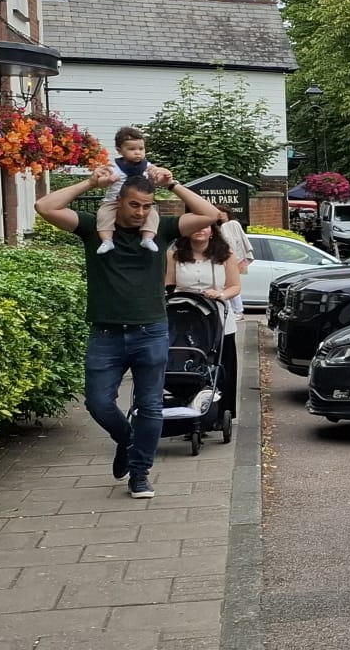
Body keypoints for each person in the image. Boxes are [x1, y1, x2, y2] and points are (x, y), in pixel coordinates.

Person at [36, 162, 225, 498]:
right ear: (119, 202)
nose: (140, 213)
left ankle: (140, 474)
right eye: (134, 205)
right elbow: (44, 206)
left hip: (151, 331)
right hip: (105, 334)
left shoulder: (163, 229)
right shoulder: (94, 227)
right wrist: (91, 183)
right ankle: (127, 440)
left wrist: (173, 185)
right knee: (98, 403)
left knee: (150, 405)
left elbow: (211, 214)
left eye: (146, 206)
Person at [167, 221, 241, 424]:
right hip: (186, 319)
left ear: (212, 231)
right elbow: (169, 284)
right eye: (195, 226)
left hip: (217, 317)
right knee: (188, 361)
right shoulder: (175, 255)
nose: (200, 230)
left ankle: (220, 412)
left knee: (221, 365)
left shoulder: (225, 255)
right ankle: (187, 406)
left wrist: (221, 294)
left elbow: (235, 286)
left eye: (205, 226)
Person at [94, 125, 156, 255]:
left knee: (153, 215)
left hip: (138, 202)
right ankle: (107, 240)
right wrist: (108, 180)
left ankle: (147, 238)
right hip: (113, 201)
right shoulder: (114, 167)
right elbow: (99, 183)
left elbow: (156, 174)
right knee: (103, 215)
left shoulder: (147, 166)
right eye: (131, 149)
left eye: (141, 148)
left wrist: (159, 174)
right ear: (119, 150)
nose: (138, 152)